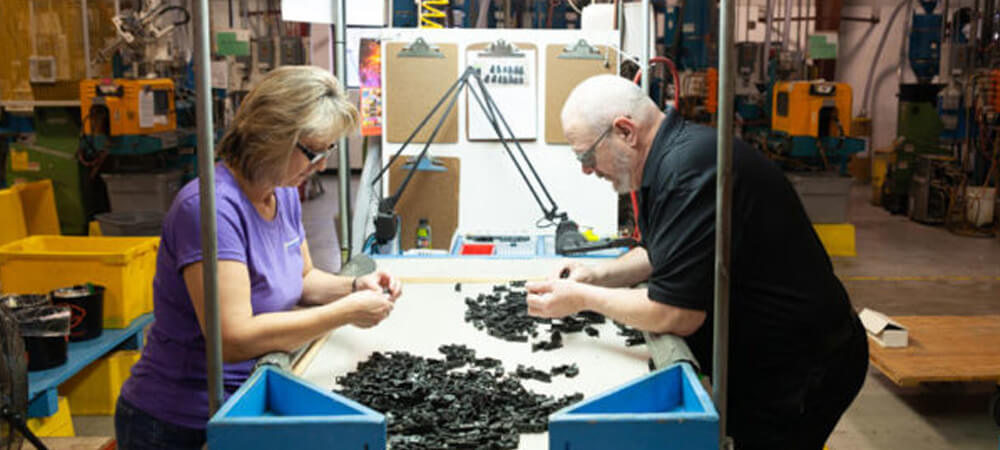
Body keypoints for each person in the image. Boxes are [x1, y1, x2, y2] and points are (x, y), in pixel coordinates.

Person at [525, 74, 867, 449]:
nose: (587, 170)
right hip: (764, 359)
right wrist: (596, 275)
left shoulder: (689, 171)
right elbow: (663, 254)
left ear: (625, 131)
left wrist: (580, 299)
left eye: (586, 156)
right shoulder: (671, 158)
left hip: (802, 367)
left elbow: (676, 313)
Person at [116, 66, 403, 449]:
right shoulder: (211, 209)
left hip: (248, 397)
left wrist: (353, 286)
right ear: (272, 136)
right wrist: (346, 311)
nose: (320, 166)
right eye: (314, 153)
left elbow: (301, 279)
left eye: (328, 153)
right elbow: (232, 339)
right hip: (179, 422)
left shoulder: (282, 192)